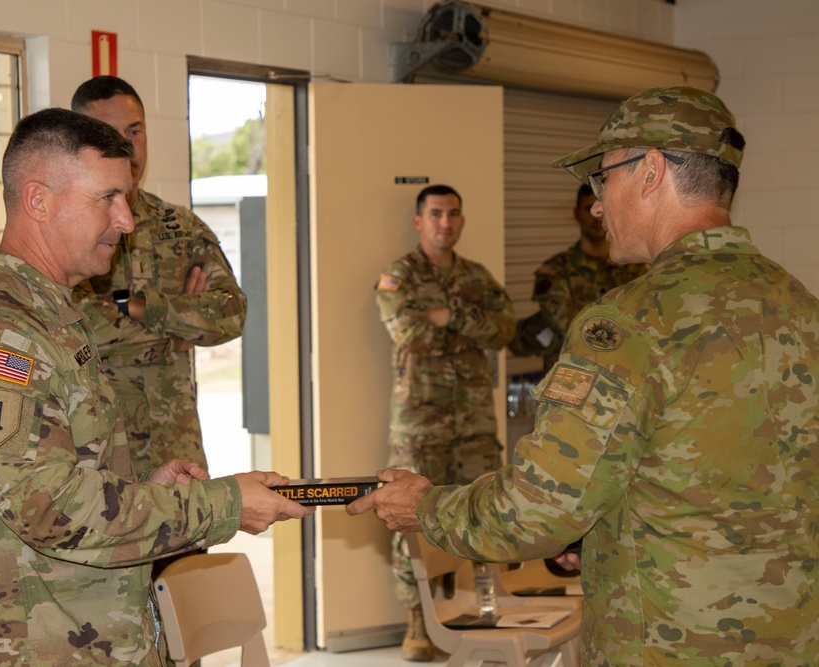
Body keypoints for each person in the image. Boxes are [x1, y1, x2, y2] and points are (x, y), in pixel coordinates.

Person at [348, 86, 819, 665]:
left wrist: (426, 508)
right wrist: (598, 532)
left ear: (649, 171)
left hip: (668, 644)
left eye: (603, 180)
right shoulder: (800, 306)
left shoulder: (629, 324)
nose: (596, 205)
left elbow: (536, 510)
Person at [0, 107, 312, 666]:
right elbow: (50, 510)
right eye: (108, 199)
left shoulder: (48, 315)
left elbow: (50, 476)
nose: (126, 220)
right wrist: (222, 504)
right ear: (38, 201)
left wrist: (149, 484)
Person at [70, 75, 247, 480]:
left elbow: (232, 312)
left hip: (179, 453)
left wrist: (141, 308)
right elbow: (68, 328)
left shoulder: (180, 226)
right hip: (99, 463)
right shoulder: (70, 231)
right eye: (111, 134)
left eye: (135, 131)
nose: (128, 148)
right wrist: (178, 330)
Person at [374, 184, 515, 661]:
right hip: (421, 425)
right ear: (419, 221)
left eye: (454, 214)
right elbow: (409, 335)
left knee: (480, 511)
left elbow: (505, 330)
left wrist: (446, 315)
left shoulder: (477, 275)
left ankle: (478, 609)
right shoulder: (399, 277)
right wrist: (465, 326)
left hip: (475, 422)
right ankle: (418, 622)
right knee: (408, 519)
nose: (445, 223)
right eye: (435, 214)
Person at [513, 183, 645, 374]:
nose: (595, 215)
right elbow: (571, 328)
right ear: (576, 214)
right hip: (571, 381)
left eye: (604, 207)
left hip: (626, 379)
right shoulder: (557, 271)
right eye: (587, 208)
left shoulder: (636, 269)